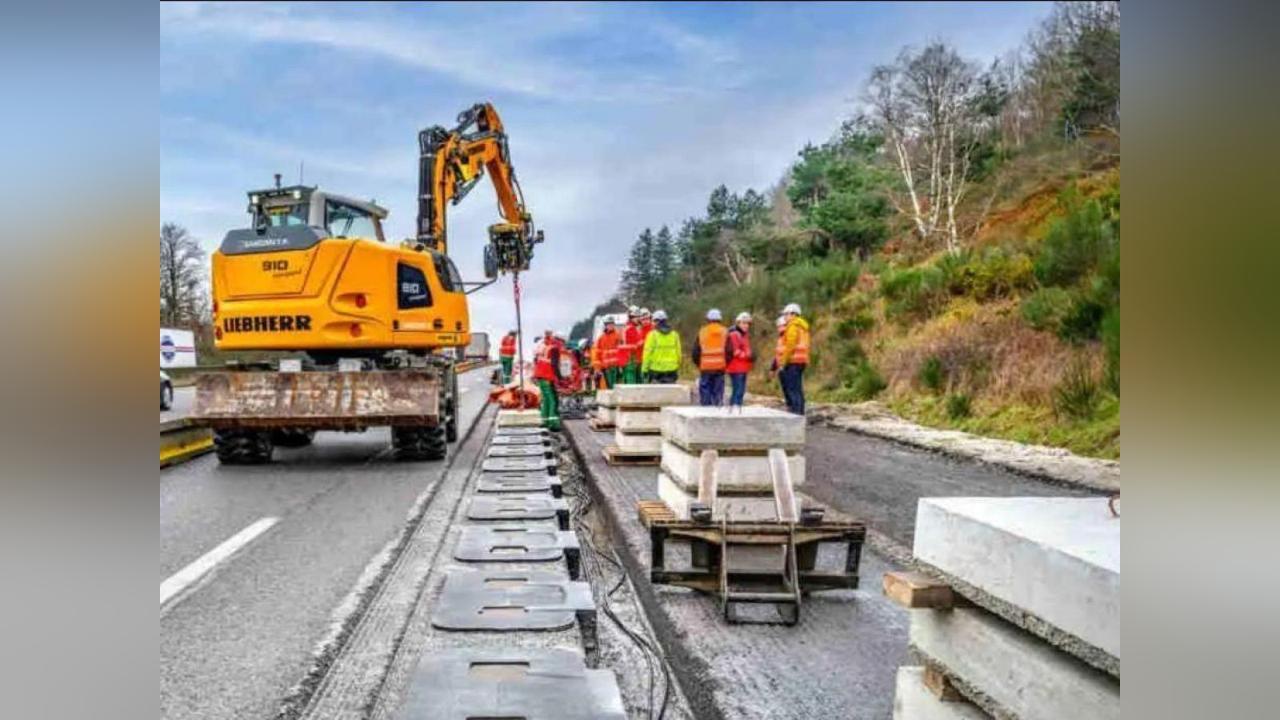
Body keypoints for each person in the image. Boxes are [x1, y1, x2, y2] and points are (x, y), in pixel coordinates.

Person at [776, 303, 810, 415]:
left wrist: (783, 362)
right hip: (801, 361)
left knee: (792, 389)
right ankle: (800, 412)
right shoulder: (803, 327)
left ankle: (796, 414)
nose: (785, 317)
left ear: (793, 314)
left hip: (793, 361)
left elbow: (790, 345)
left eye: (786, 314)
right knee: (798, 389)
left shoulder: (793, 326)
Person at [691, 308, 729, 406]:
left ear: (708, 319)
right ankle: (717, 409)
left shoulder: (702, 332)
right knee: (718, 390)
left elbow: (695, 352)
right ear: (720, 319)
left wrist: (699, 364)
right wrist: (726, 364)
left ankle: (706, 411)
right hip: (720, 367)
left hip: (706, 367)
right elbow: (730, 351)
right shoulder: (725, 332)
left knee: (705, 390)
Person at [532, 329, 563, 430]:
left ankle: (544, 421)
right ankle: (553, 423)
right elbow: (554, 364)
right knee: (552, 400)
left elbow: (537, 360)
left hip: (540, 376)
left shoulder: (544, 346)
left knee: (545, 399)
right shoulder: (554, 348)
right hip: (547, 376)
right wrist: (560, 378)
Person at [641, 310, 681, 383]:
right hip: (671, 370)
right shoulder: (675, 335)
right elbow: (679, 353)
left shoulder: (652, 335)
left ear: (657, 321)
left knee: (656, 393)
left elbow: (647, 353)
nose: (652, 323)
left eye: (653, 321)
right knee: (671, 393)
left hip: (656, 371)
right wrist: (677, 365)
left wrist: (644, 369)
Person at [726, 312, 754, 410]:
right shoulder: (734, 334)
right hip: (736, 367)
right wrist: (748, 356)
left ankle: (736, 410)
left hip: (742, 367)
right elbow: (735, 351)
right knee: (738, 391)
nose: (746, 325)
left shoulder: (744, 335)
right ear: (738, 323)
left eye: (747, 323)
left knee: (740, 391)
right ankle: (734, 410)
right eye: (744, 323)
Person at [596, 317, 621, 388]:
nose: (611, 326)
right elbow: (598, 354)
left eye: (612, 324)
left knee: (615, 386)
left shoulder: (618, 336)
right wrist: (598, 368)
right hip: (606, 367)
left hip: (615, 366)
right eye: (609, 324)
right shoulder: (601, 338)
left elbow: (621, 351)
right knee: (609, 386)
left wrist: (620, 365)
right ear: (605, 325)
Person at [622, 307, 644, 384]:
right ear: (631, 317)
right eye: (637, 317)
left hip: (637, 359)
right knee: (631, 383)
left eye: (639, 317)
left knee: (639, 382)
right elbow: (630, 345)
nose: (639, 319)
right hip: (631, 359)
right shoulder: (629, 329)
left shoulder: (636, 328)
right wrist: (640, 343)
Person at [638, 308, 654, 381]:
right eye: (643, 319)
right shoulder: (638, 330)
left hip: (653, 361)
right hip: (642, 360)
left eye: (647, 319)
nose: (645, 321)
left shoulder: (654, 328)